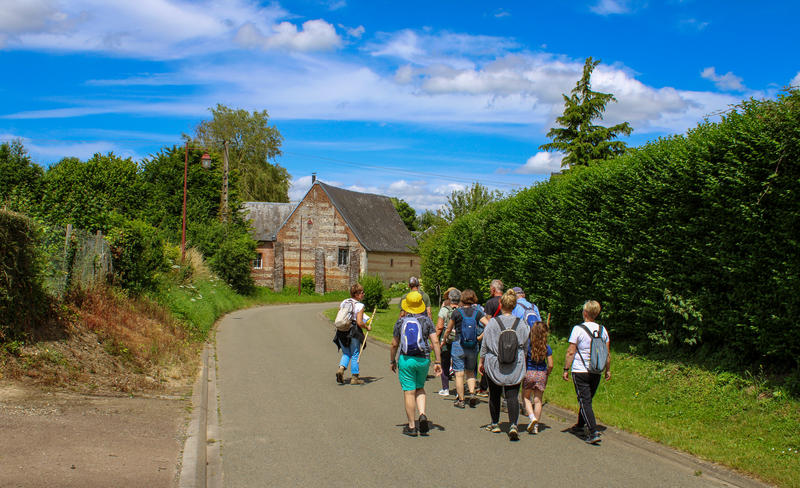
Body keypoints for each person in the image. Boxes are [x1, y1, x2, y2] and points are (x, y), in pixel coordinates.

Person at [479, 289, 530, 441]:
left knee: (494, 395)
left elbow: (485, 344)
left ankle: (495, 423)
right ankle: (513, 424)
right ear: (514, 305)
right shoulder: (521, 324)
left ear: (500, 305)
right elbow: (525, 344)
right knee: (512, 395)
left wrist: (481, 360)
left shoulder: (493, 323)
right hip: (515, 363)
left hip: (495, 363)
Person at [390, 291, 443, 436]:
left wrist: (392, 360)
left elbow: (394, 344)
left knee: (409, 391)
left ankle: (412, 426)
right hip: (423, 359)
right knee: (420, 388)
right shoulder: (427, 321)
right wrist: (437, 361)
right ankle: (423, 414)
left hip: (406, 359)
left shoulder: (401, 321)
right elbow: (435, 341)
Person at [562, 300, 611, 445]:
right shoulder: (603, 330)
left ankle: (593, 431)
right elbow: (607, 354)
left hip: (580, 370)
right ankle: (579, 426)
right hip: (596, 370)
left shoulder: (578, 329)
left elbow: (571, 351)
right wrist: (608, 370)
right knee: (587, 399)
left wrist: (566, 369)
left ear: (585, 313)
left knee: (585, 401)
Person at [441, 289, 488, 408]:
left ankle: (461, 400)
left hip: (458, 344)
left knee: (459, 373)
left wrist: (445, 339)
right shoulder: (477, 312)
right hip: (473, 345)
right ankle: (472, 394)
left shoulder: (457, 312)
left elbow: (448, 329)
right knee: (471, 372)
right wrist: (479, 337)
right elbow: (489, 325)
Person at [334, 283, 372, 385]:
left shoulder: (344, 302)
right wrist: (367, 327)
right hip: (353, 331)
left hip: (341, 330)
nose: (363, 294)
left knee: (346, 353)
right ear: (357, 294)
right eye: (362, 292)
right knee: (355, 354)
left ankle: (341, 369)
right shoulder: (360, 305)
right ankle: (355, 378)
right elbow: (359, 322)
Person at [522, 321, 553, 434]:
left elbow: (524, 360)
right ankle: (536, 426)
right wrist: (547, 373)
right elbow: (550, 364)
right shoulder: (547, 347)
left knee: (526, 397)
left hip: (529, 372)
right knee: (538, 400)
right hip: (541, 373)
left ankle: (532, 418)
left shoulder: (528, 345)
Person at [477, 279, 504, 396]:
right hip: (506, 335)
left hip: (493, 335)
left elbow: (487, 322)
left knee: (488, 360)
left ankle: (484, 387)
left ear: (493, 289)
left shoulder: (490, 303)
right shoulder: (507, 301)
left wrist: (481, 336)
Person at [435, 287, 460, 396]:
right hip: (459, 340)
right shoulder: (462, 310)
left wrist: (435, 339)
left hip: (446, 340)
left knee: (445, 364)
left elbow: (440, 327)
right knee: (458, 365)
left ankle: (445, 388)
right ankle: (460, 391)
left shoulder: (444, 310)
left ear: (449, 298)